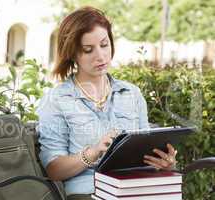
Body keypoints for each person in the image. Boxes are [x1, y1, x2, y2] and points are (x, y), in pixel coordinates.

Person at [36, 6, 177, 200]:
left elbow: (146, 154)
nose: (100, 56)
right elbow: (54, 170)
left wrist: (164, 163)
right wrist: (92, 153)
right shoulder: (57, 100)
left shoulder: (132, 94)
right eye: (88, 50)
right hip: (89, 192)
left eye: (104, 44)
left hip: (135, 189)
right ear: (72, 54)